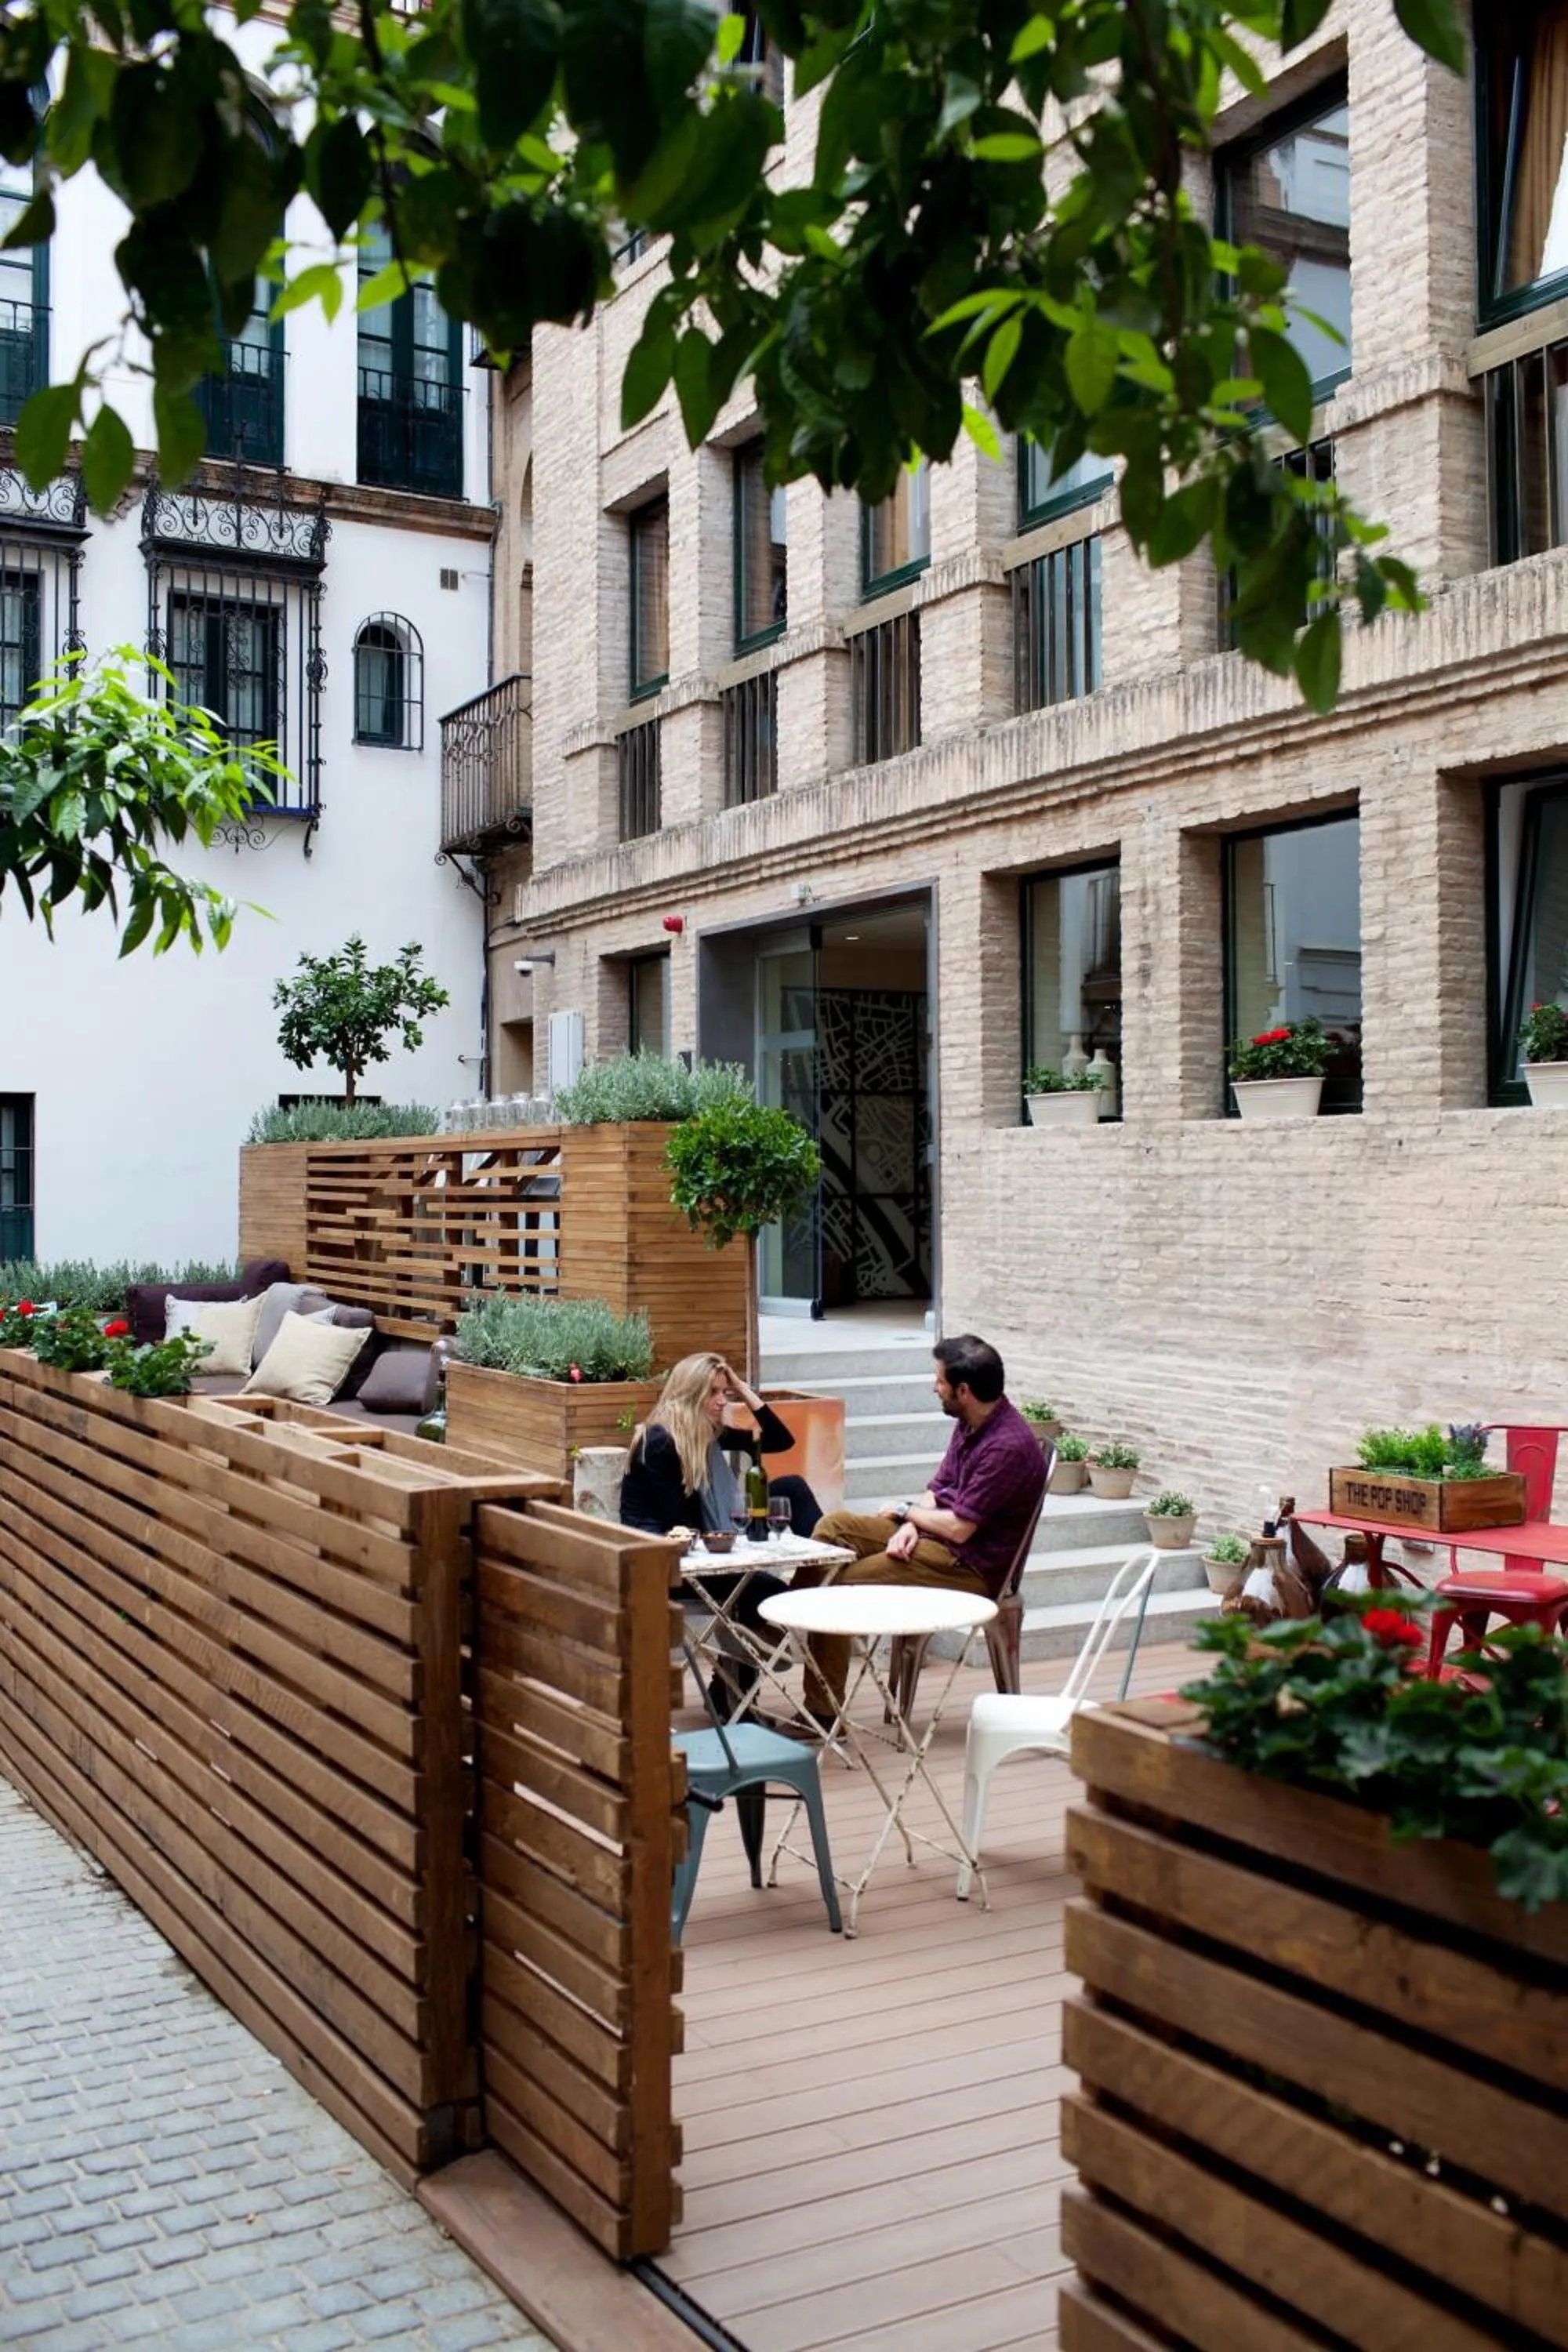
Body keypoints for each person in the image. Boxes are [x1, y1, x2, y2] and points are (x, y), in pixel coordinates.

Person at [797, 1334, 1047, 1718]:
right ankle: (787, 1619)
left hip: (970, 1566)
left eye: (939, 1380)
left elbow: (961, 1528)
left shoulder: (1006, 1446)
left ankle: (821, 1713)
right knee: (835, 1527)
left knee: (839, 1585)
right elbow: (939, 1489)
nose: (934, 1386)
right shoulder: (970, 1420)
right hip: (941, 1538)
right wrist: (913, 1521)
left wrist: (908, 1514)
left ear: (963, 1390)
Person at [619, 1352, 824, 1700]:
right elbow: (678, 1528)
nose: (721, 1401)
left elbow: (779, 1440)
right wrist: (740, 1539)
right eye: (713, 1393)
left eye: (725, 1393)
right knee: (767, 1590)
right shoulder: (660, 1441)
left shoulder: (710, 1432)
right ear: (689, 1393)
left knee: (792, 1487)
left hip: (707, 1542)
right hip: (667, 1563)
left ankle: (822, 1573)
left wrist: (744, 1389)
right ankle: (735, 1687)